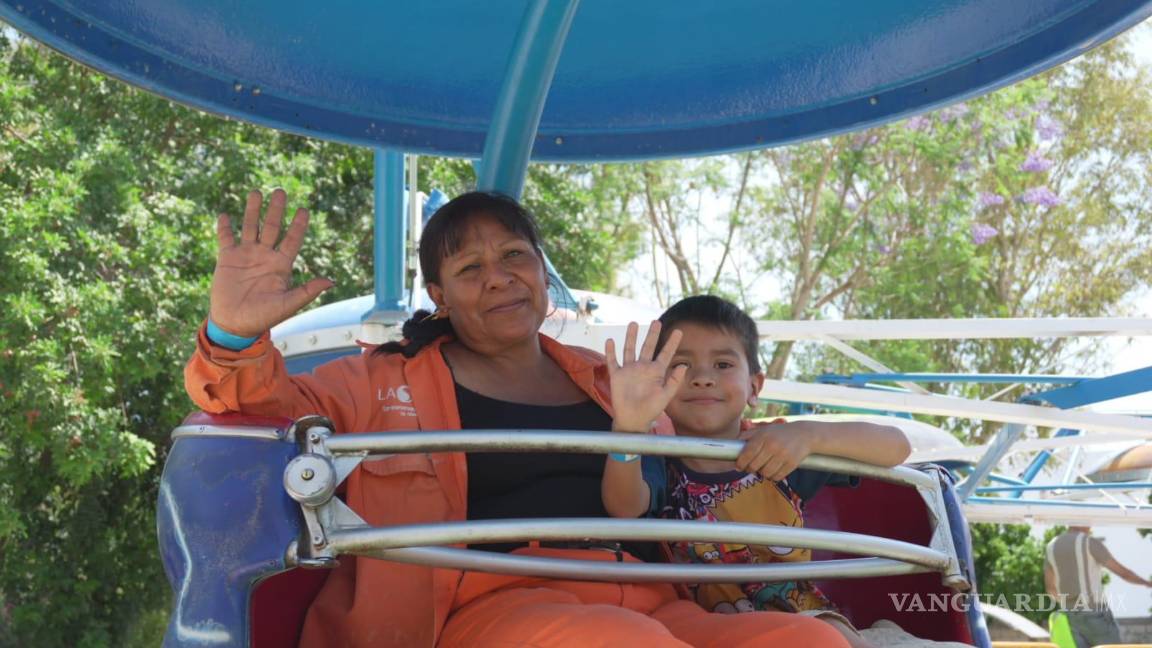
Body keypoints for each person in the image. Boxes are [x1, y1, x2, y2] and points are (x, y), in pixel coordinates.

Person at [185, 189, 851, 647]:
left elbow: (717, 443)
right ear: (439, 297)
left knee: (810, 639)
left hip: (650, 594)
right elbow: (258, 406)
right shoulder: (379, 383)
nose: (499, 277)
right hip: (490, 607)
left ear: (540, 270)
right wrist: (234, 336)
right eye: (471, 268)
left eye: (514, 256)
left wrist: (809, 434)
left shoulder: (607, 378)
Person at [600, 295, 913, 648]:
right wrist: (627, 428)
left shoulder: (777, 448)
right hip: (705, 626)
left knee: (828, 636)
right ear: (660, 383)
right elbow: (624, 506)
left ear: (754, 387)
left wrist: (811, 435)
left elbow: (897, 445)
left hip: (800, 618)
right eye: (682, 366)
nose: (702, 378)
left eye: (722, 364)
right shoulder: (657, 457)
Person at [1044, 525, 1152, 648]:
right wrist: (1146, 583)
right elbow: (1124, 573)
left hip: (1070, 617)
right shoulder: (1088, 542)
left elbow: (1051, 588)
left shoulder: (1051, 546)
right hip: (1096, 615)